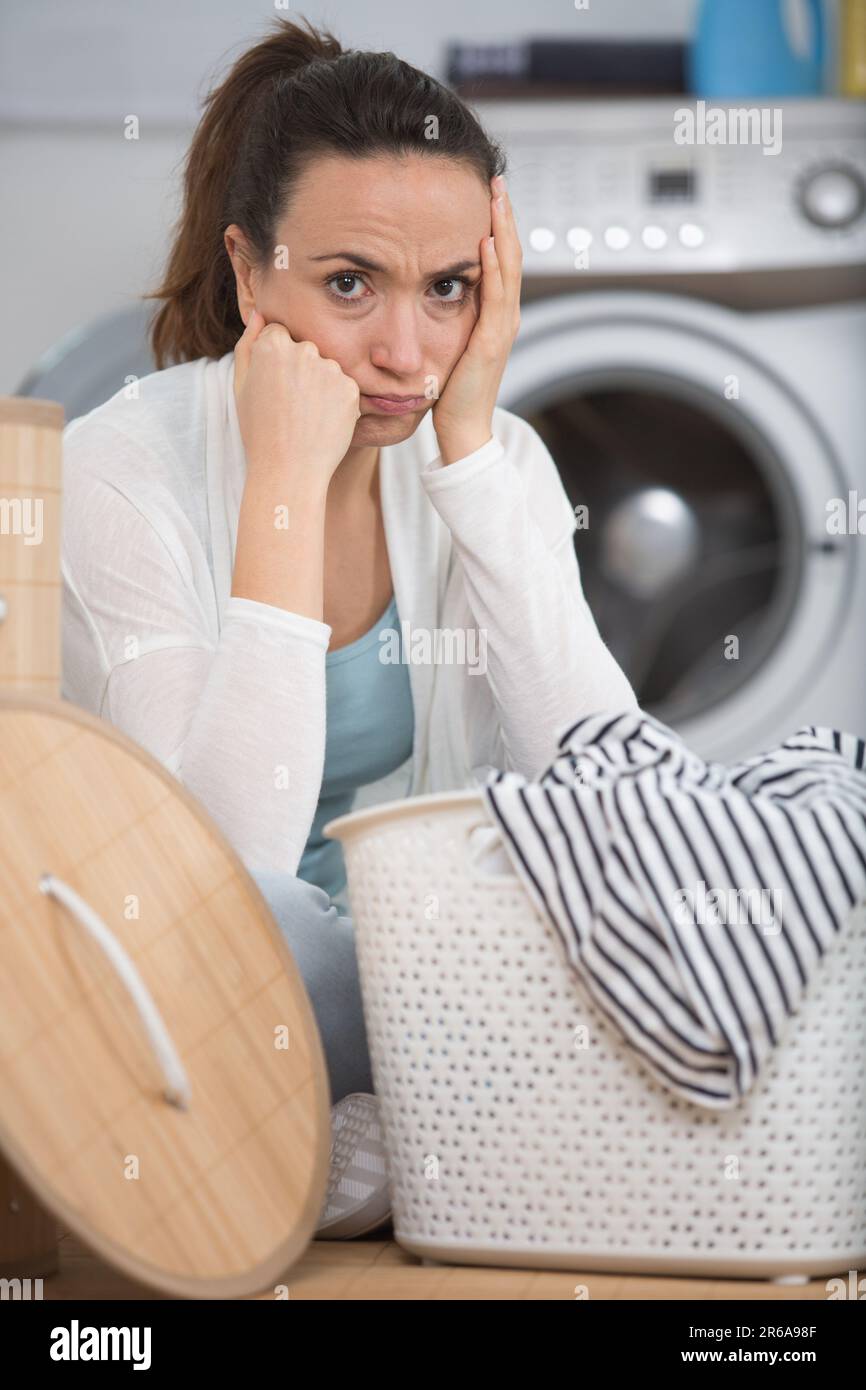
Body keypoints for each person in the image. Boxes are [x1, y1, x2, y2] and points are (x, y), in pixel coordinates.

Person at [60, 14, 639, 1239]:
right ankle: (423, 1139)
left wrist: (472, 451)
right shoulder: (124, 466)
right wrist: (281, 482)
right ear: (245, 269)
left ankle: (365, 1152)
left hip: (431, 983)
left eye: (448, 291)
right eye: (346, 284)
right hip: (198, 994)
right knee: (268, 919)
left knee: (653, 883)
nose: (403, 351)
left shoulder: (492, 455)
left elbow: (610, 797)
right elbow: (218, 871)